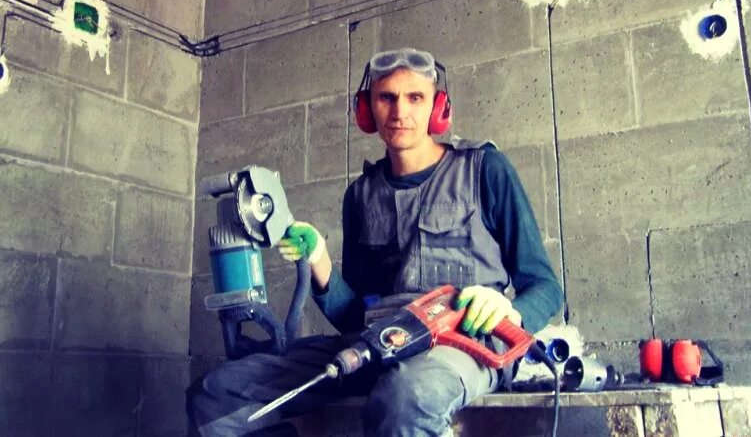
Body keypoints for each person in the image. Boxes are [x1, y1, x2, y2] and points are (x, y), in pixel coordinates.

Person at [187, 48, 563, 437]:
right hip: (381, 342)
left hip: (465, 345)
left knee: (406, 396)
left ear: (437, 107)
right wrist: (319, 261)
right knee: (217, 393)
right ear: (367, 110)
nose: (400, 111)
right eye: (387, 97)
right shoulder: (360, 195)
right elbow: (355, 317)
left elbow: (547, 288)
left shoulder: (485, 170)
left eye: (415, 97)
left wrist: (508, 313)